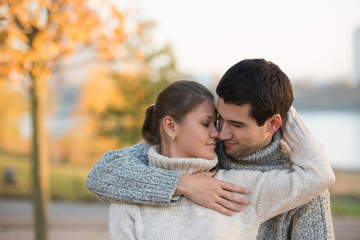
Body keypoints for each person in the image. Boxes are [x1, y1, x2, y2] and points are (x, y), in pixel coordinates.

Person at [86, 59, 335, 239]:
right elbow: (102, 173)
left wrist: (283, 104)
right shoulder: (204, 150)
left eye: (236, 124)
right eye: (217, 120)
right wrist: (182, 183)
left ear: (273, 123)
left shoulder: (264, 184)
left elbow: (319, 176)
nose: (220, 133)